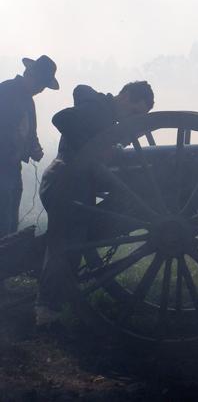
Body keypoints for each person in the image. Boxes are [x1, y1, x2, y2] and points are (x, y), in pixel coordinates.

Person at [35, 81, 154, 325]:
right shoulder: (98, 109)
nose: (133, 119)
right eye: (134, 112)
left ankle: (56, 305)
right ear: (125, 96)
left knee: (73, 244)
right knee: (63, 245)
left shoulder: (106, 115)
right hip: (65, 180)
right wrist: (93, 151)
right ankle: (46, 310)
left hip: (77, 184)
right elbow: (62, 118)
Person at [0, 55, 59, 239]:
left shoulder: (27, 100)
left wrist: (34, 147)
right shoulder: (5, 92)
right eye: (40, 84)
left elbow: (30, 131)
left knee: (10, 218)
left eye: (43, 86)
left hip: (12, 166)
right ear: (29, 75)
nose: (41, 90)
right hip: (3, 164)